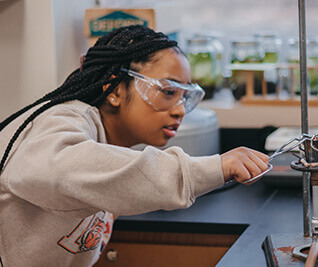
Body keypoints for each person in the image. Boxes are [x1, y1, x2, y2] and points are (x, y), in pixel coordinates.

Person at [0, 25, 269, 266]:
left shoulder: (114, 143)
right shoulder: (61, 122)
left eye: (186, 97)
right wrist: (215, 167)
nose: (180, 111)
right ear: (115, 90)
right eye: (167, 92)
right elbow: (60, 171)